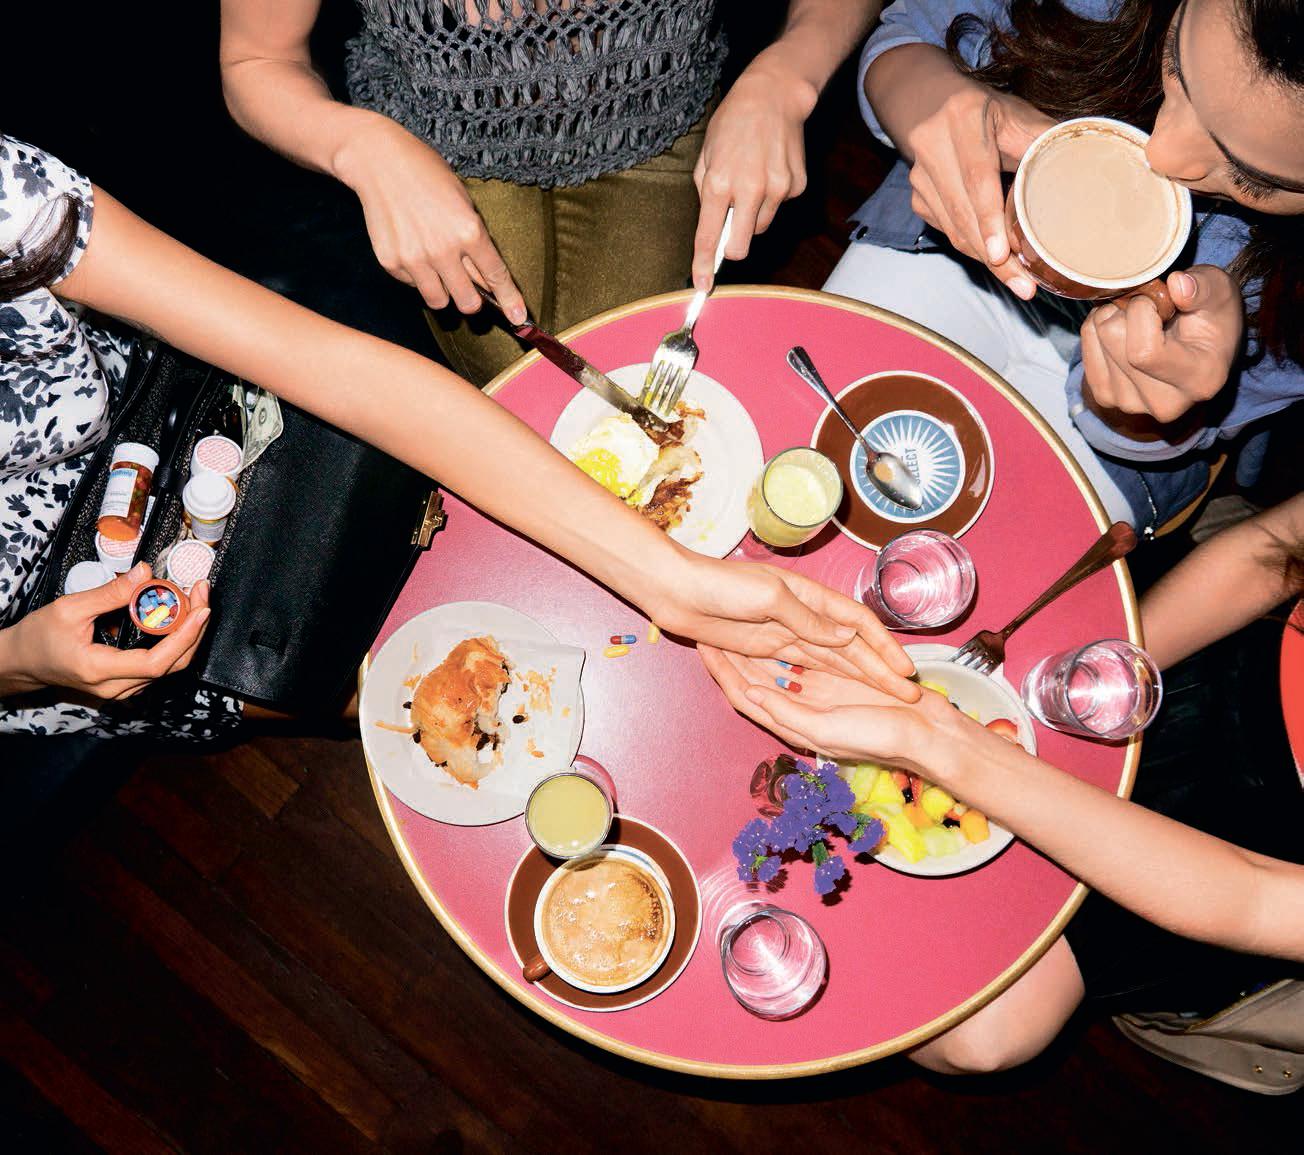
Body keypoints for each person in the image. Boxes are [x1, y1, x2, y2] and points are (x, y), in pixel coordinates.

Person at [0, 134, 920, 739]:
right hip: (57, 647)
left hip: (185, 420)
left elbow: (339, 370)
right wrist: (20, 664)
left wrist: (673, 580)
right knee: (364, 695)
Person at [700, 490, 1304, 1073]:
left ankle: (755, 971)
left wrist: (940, 744)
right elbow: (1272, 550)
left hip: (1247, 853)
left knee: (979, 1041)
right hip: (1216, 664)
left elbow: (1250, 898)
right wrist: (1094, 677)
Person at [823, 0, 1304, 533]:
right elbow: (909, 31)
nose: (1162, 156)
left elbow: (1141, 438)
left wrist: (1139, 406)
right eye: (1176, 62)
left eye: (1252, 176)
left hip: (1116, 450)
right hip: (943, 248)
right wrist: (933, 98)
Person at [219, 0, 882, 385]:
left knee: (624, 383)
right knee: (521, 394)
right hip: (437, 135)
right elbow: (258, 58)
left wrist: (786, 75)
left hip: (654, 114)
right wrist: (363, 148)